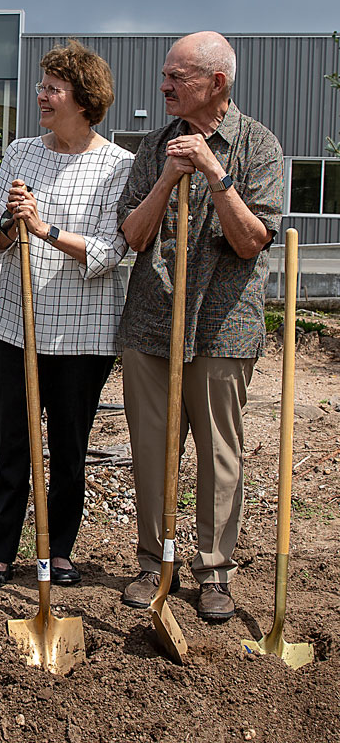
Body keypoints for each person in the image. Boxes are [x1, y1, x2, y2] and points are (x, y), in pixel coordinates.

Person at [118, 31, 283, 620]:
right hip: (151, 323)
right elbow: (133, 235)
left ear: (216, 83)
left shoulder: (257, 146)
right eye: (165, 75)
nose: (163, 86)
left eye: (177, 77)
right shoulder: (152, 145)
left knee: (219, 454)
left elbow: (252, 241)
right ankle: (153, 562)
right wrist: (168, 177)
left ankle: (214, 571)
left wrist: (214, 170)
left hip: (223, 323)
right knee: (151, 451)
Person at [0, 40, 134, 588]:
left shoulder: (119, 166)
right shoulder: (21, 152)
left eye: (52, 88)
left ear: (84, 99)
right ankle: (1, 553)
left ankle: (60, 550)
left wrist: (44, 229)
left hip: (83, 334)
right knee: (13, 442)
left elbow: (112, 252)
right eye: (42, 85)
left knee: (70, 446)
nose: (41, 96)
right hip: (19, 327)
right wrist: (9, 223)